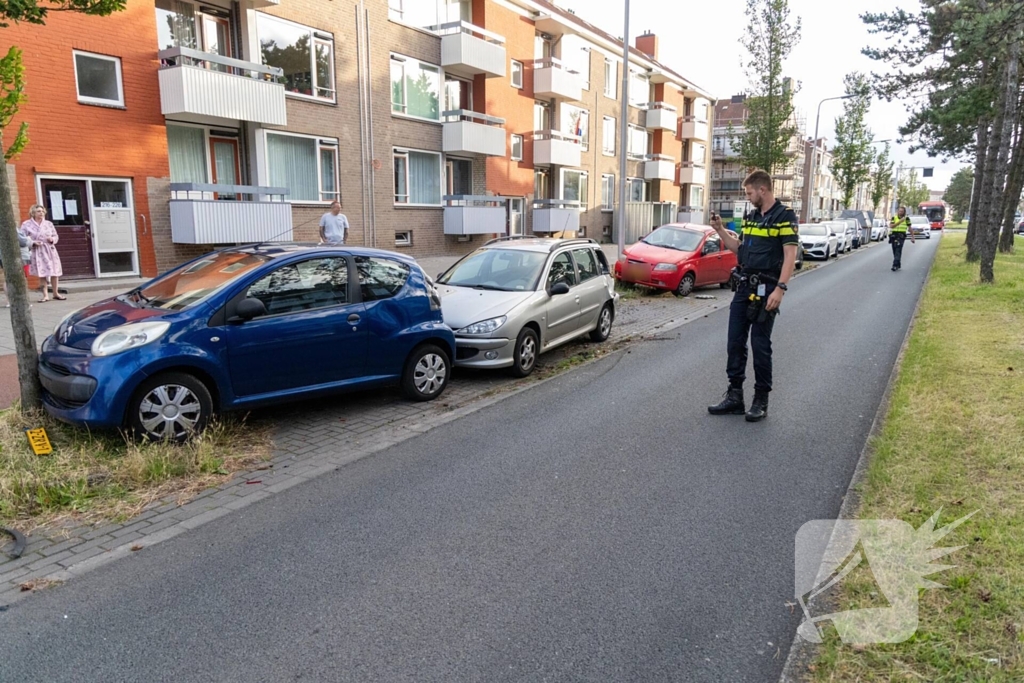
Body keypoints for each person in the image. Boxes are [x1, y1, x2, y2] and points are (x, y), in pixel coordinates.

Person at [707, 170, 800, 422]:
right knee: (734, 342)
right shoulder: (751, 217)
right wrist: (720, 231)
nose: (747, 197)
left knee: (760, 345)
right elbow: (740, 248)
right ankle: (735, 396)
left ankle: (761, 399)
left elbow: (790, 255)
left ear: (762, 190)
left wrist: (781, 288)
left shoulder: (784, 216)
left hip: (767, 288)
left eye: (749, 193)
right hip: (745, 285)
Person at [22, 204, 64, 302]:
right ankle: (45, 295)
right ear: (33, 213)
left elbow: (56, 236)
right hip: (37, 250)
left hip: (50, 249)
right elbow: (22, 238)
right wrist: (32, 243)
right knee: (42, 272)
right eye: (38, 211)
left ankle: (55, 293)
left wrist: (52, 239)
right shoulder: (26, 224)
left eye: (42, 211)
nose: (41, 213)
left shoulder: (48, 224)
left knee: (54, 271)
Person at [888, 206, 915, 271]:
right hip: (894, 235)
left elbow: (910, 228)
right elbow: (891, 226)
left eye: (902, 211)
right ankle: (898, 264)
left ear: (904, 212)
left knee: (898, 249)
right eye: (899, 211)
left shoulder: (907, 219)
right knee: (894, 250)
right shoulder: (894, 218)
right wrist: (899, 221)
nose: (900, 212)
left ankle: (894, 265)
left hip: (901, 236)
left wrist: (913, 237)